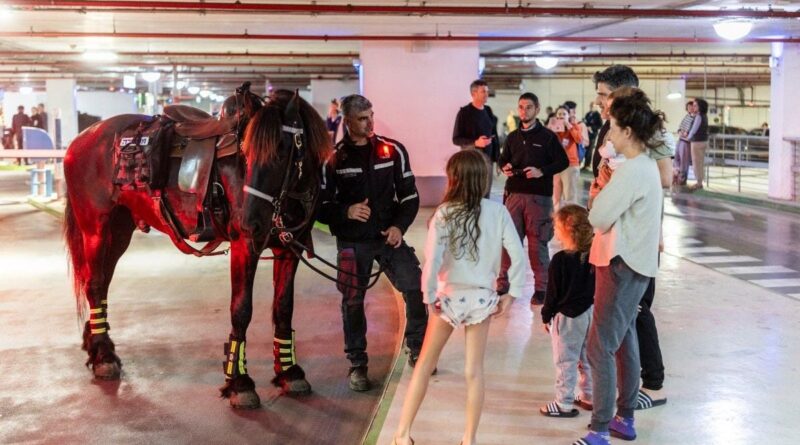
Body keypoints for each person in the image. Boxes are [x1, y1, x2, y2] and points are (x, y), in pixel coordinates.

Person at [392, 149, 526, 445]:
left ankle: (402, 435)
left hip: (448, 297)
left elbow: (432, 260)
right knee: (474, 371)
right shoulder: (498, 212)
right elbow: (518, 257)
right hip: (481, 299)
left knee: (425, 365)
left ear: (454, 179)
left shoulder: (444, 213)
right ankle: (469, 438)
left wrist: (429, 298)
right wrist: (512, 295)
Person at [572, 88, 664, 445]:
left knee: (599, 347)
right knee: (623, 341)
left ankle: (599, 429)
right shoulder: (642, 168)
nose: (607, 134)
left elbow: (597, 215)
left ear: (627, 132)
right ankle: (623, 419)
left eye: (611, 127)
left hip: (620, 263)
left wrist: (599, 191)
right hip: (631, 263)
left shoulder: (632, 171)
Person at [318, 94, 428, 392]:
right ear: (347, 121)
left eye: (371, 116)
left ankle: (417, 348)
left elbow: (409, 196)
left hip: (388, 237)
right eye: (362, 118)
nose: (369, 123)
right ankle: (357, 364)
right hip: (353, 242)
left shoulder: (392, 151)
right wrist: (346, 211)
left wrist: (399, 227)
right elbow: (321, 205)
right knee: (352, 301)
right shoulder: (333, 158)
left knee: (416, 286)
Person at [497, 92, 568, 305]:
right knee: (508, 242)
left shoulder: (548, 137)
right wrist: (504, 167)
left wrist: (541, 171)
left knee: (538, 245)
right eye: (521, 107)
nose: (524, 111)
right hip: (514, 196)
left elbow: (562, 162)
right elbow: (502, 159)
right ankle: (503, 284)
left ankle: (541, 289)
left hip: (538, 198)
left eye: (528, 107)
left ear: (537, 109)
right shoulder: (512, 137)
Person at [540, 204, 595, 418]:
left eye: (556, 224)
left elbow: (552, 293)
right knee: (587, 358)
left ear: (567, 228)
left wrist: (546, 316)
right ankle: (589, 396)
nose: (554, 227)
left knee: (566, 360)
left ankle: (563, 403)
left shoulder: (560, 260)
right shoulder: (593, 256)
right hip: (591, 313)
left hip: (568, 317)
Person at [452, 79, 500, 194]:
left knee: (486, 194)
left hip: (487, 161)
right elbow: (456, 139)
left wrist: (498, 159)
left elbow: (494, 136)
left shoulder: (488, 111)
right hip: (471, 162)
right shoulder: (464, 113)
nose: (487, 94)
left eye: (487, 91)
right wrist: (475, 143)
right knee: (471, 193)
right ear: (473, 94)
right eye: (483, 91)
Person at [548, 106, 583, 208]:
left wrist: (569, 125)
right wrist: (550, 129)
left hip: (570, 165)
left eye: (564, 114)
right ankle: (558, 219)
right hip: (556, 165)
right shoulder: (554, 128)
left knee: (569, 195)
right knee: (556, 195)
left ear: (568, 115)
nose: (561, 116)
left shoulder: (574, 126)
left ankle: (570, 221)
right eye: (559, 114)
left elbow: (579, 140)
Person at [687, 98, 709, 191]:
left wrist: (688, 137)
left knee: (696, 163)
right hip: (703, 141)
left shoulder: (699, 116)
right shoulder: (704, 116)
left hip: (697, 142)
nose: (693, 107)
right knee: (700, 162)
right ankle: (700, 181)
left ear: (700, 107)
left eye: (695, 105)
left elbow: (694, 129)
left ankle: (698, 183)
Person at [672, 101, 695, 187]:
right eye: (688, 107)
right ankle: (676, 178)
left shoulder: (695, 118)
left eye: (692, 107)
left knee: (684, 163)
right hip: (680, 140)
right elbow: (680, 126)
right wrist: (679, 131)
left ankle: (682, 181)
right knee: (676, 159)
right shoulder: (687, 116)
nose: (690, 108)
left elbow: (692, 130)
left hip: (686, 142)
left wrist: (687, 133)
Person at [583, 103, 603, 170]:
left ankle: (587, 165)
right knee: (585, 149)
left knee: (589, 150)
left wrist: (592, 127)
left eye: (593, 106)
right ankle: (585, 164)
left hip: (592, 134)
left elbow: (600, 125)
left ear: (596, 107)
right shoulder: (588, 114)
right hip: (586, 134)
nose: (591, 107)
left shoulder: (597, 115)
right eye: (591, 106)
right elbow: (585, 122)